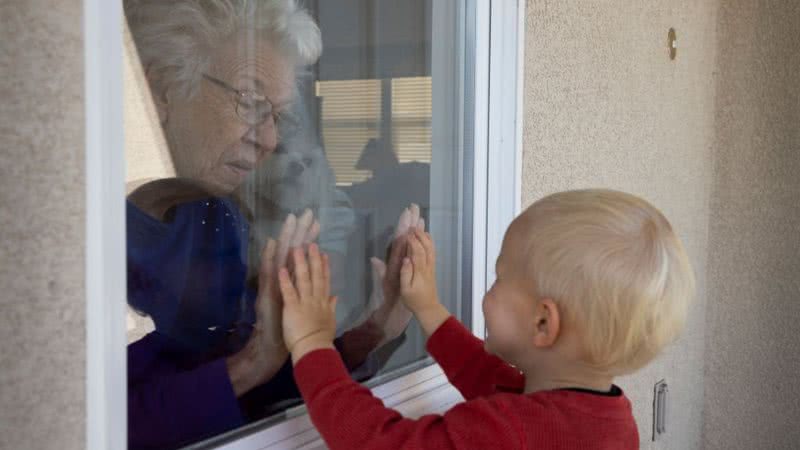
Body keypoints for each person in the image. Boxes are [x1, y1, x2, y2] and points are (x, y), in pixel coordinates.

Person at [124, 1, 413, 448]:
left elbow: (251, 395)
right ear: (161, 90)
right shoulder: (82, 233)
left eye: (277, 115)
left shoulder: (218, 219)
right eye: (251, 103)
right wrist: (249, 366)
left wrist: (372, 332)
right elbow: (84, 423)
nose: (271, 140)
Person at [278, 189, 696, 449]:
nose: (488, 288)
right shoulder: (606, 420)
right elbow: (488, 377)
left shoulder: (510, 434)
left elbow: (381, 444)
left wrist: (314, 343)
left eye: (500, 278)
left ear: (543, 324)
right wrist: (427, 307)